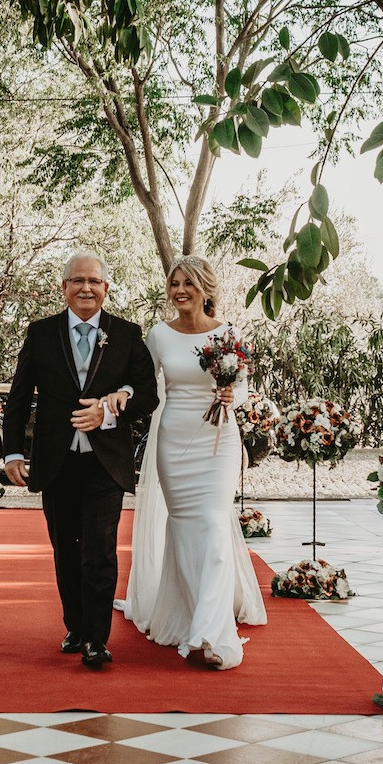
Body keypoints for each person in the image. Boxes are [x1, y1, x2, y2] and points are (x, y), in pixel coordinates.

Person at [3, 252, 158, 669]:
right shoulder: (40, 333)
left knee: (100, 549)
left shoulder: (126, 334)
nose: (86, 288)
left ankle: (95, 638)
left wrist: (110, 410)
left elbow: (148, 395)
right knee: (65, 548)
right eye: (77, 281)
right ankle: (75, 624)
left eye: (94, 281)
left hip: (105, 463)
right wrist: (13, 452)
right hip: (56, 461)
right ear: (64, 287)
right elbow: (18, 399)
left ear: (106, 288)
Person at [120, 254, 266, 669]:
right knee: (184, 530)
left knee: (216, 527)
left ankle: (213, 634)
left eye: (188, 282)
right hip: (175, 440)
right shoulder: (159, 336)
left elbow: (242, 389)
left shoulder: (228, 334)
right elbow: (143, 387)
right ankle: (186, 616)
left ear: (205, 288)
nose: (179, 290)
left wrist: (229, 396)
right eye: (174, 283)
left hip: (218, 441)